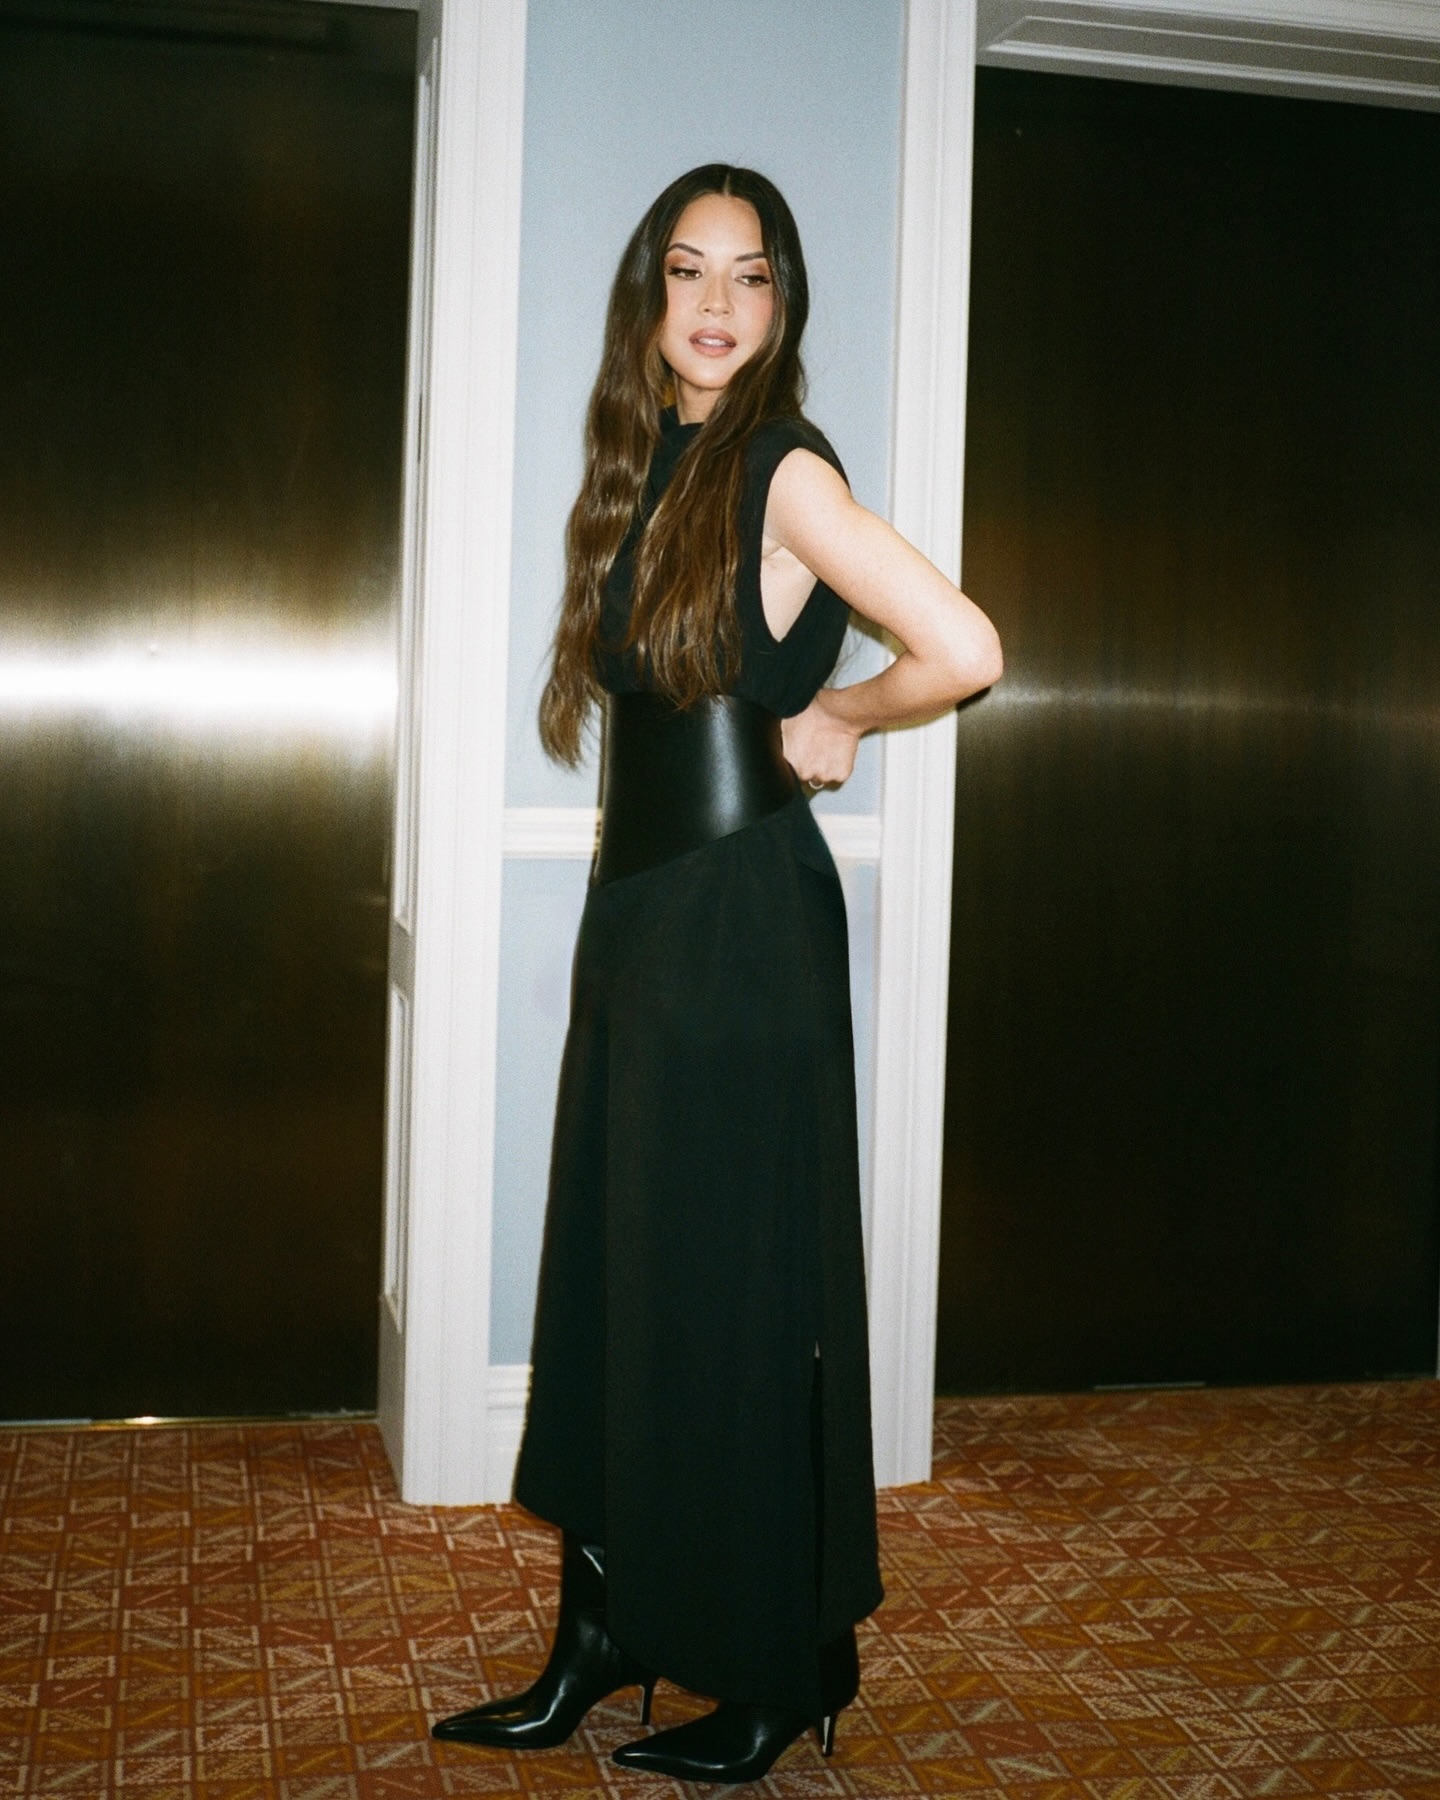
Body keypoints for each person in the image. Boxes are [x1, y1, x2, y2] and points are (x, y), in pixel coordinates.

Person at [431, 164, 1002, 1784]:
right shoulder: (645, 467)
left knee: (737, 1299)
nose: (717, 304)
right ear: (650, 296)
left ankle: (774, 1664)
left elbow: (965, 648)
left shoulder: (778, 468)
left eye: (751, 276)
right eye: (688, 270)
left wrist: (843, 717)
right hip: (643, 922)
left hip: (741, 924)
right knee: (620, 1279)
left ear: (782, 304)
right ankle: (603, 1633)